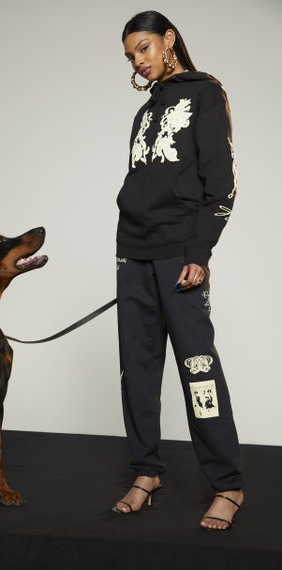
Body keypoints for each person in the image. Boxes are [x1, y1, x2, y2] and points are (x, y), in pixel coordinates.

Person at [113, 10, 244, 530]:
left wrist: (199, 252)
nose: (138, 62)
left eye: (144, 48)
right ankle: (147, 472)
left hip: (180, 256)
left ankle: (228, 483)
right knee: (137, 371)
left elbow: (222, 184)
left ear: (168, 40)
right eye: (130, 56)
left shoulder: (205, 94)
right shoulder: (144, 112)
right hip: (132, 253)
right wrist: (128, 250)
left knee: (197, 368)